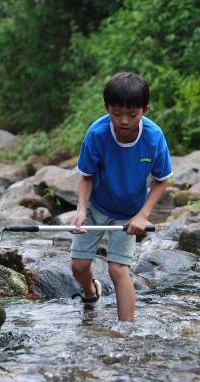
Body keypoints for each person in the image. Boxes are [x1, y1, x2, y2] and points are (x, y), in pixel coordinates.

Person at [70, 72, 173, 321]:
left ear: (145, 110)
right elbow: (86, 176)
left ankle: (127, 333)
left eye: (132, 114)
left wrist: (142, 215)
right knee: (79, 266)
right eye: (116, 114)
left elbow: (162, 181)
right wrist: (81, 209)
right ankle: (90, 290)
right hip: (97, 206)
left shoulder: (153, 137)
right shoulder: (97, 134)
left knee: (118, 269)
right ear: (107, 108)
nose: (124, 121)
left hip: (129, 214)